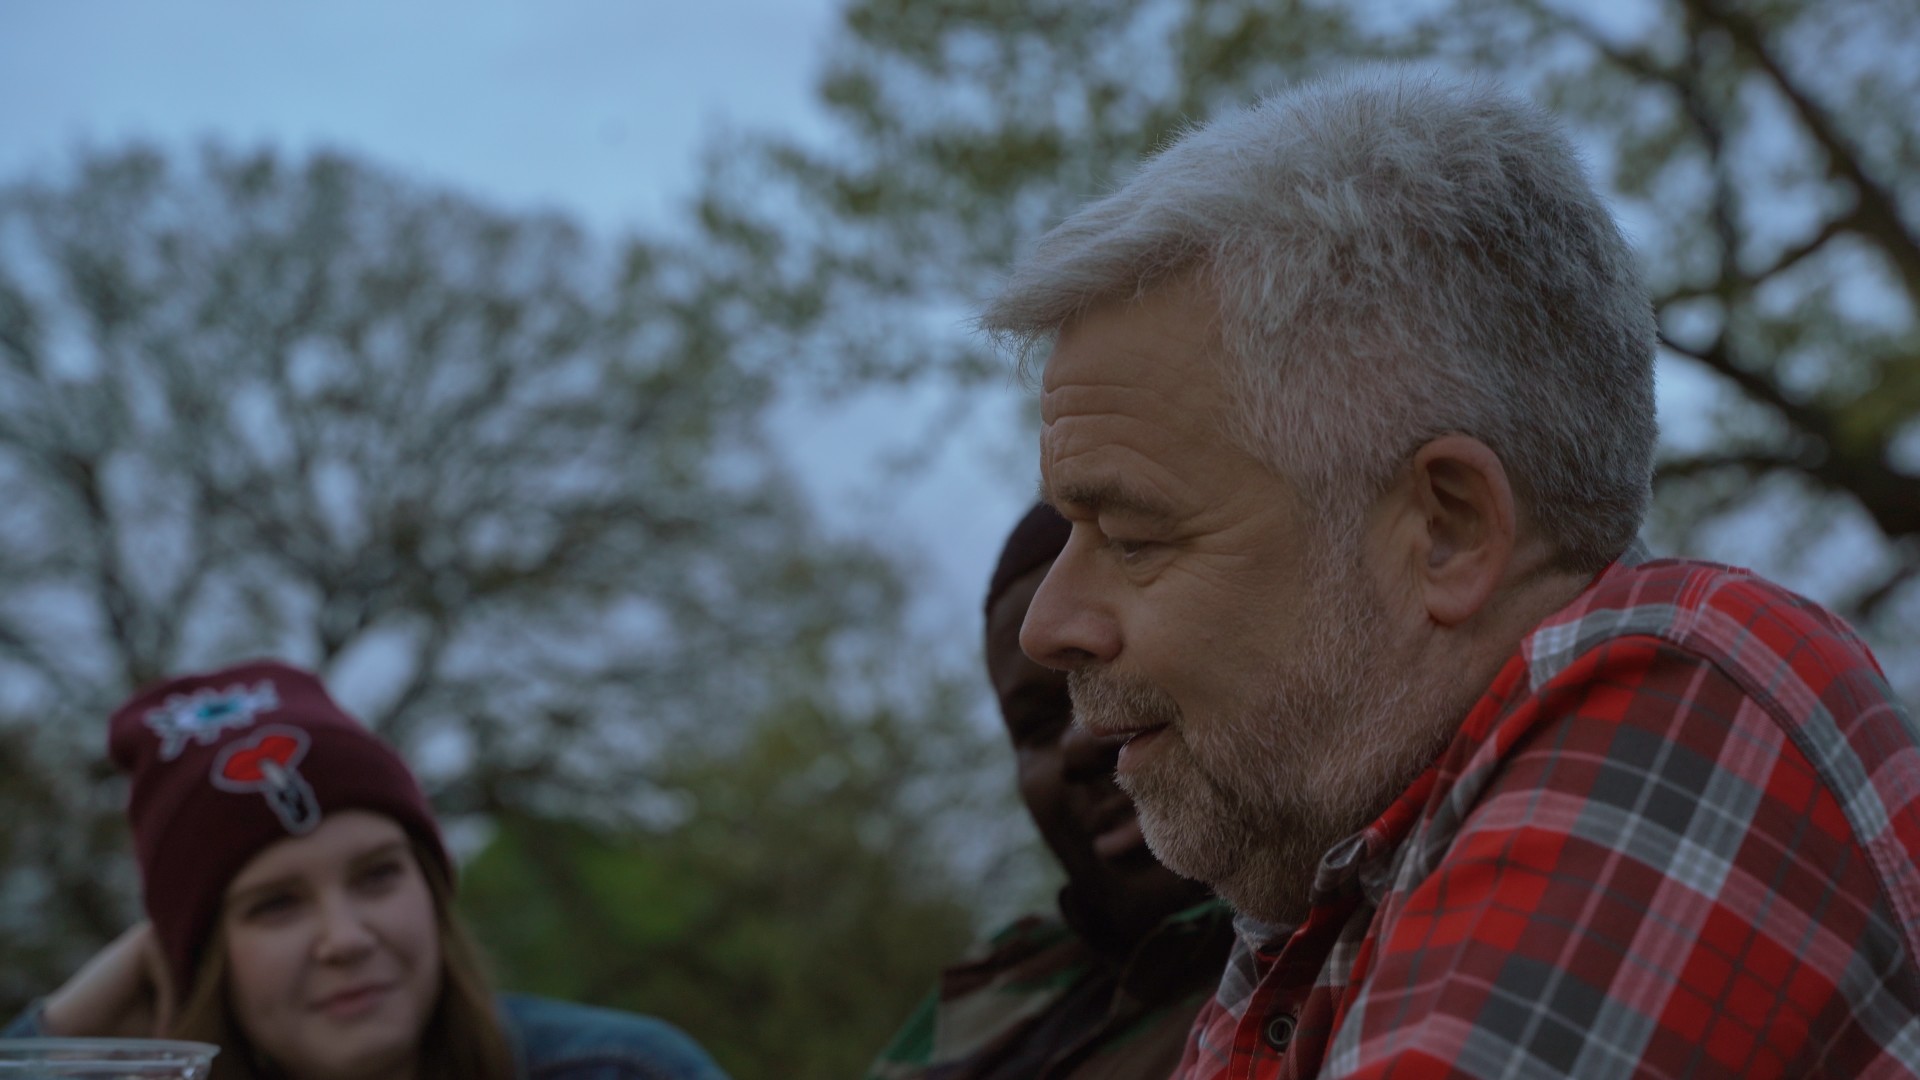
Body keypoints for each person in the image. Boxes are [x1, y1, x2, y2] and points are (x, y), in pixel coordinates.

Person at [983, 70, 1920, 1078]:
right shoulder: (1325, 898)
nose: (1052, 625)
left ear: (1447, 530)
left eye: (1131, 535)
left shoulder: (1685, 692)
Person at [3, 659, 727, 1080]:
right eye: (275, 905)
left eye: (378, 875)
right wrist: (58, 1039)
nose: (344, 939)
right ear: (199, 958)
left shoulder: (621, 1072)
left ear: (435, 892)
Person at [866, 502, 1234, 1080]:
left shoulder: (1328, 963)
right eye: (1035, 726)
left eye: (1114, 672)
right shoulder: (993, 983)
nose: (1078, 744)